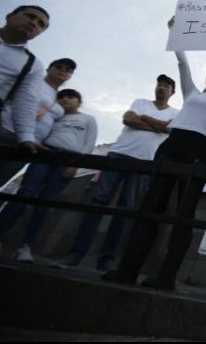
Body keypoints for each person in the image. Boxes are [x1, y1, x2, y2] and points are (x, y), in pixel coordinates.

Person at [104, 18, 206, 290]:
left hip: (198, 151)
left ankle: (166, 277)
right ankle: (127, 270)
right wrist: (175, 32)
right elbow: (183, 64)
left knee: (184, 215)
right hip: (172, 146)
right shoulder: (191, 93)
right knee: (150, 208)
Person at [57, 75, 178, 271]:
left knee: (126, 208)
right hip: (118, 154)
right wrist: (154, 125)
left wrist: (145, 118)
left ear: (173, 92)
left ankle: (107, 258)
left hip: (144, 162)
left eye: (166, 85)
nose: (161, 87)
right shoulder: (141, 102)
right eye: (159, 84)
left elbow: (168, 128)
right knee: (98, 202)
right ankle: (76, 253)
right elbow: (128, 119)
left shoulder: (175, 112)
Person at [0, 89, 97, 260]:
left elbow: (90, 143)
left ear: (79, 101)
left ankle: (25, 246)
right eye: (62, 97)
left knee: (45, 202)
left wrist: (76, 166)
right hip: (45, 154)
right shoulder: (54, 117)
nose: (65, 100)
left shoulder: (88, 119)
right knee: (24, 194)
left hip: (69, 159)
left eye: (70, 97)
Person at [0, 58, 75, 189]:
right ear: (49, 69)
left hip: (31, 146)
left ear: (70, 76)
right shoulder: (32, 81)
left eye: (68, 70)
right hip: (7, 132)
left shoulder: (61, 97)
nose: (63, 70)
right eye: (59, 66)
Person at [0, 5, 51, 155]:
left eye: (40, 24)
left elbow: (26, 100)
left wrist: (26, 136)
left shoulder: (32, 65)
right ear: (9, 16)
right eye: (30, 16)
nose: (34, 23)